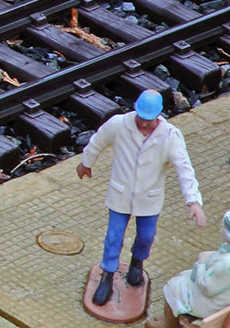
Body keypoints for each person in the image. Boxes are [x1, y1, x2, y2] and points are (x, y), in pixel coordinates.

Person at [77, 89, 206, 307]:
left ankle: (137, 262)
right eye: (141, 118)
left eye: (150, 120)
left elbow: (184, 169)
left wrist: (193, 201)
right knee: (113, 236)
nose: (145, 124)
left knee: (146, 235)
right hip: (120, 194)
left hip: (149, 198)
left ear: (159, 115)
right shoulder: (119, 124)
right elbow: (98, 140)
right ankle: (107, 275)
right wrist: (86, 162)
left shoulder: (170, 136)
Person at [146, 210, 230, 328]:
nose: (220, 229)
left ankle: (170, 327)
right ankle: (171, 319)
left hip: (211, 306)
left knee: (175, 285)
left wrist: (201, 263)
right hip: (223, 300)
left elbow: (206, 287)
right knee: (185, 277)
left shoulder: (225, 265)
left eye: (222, 227)